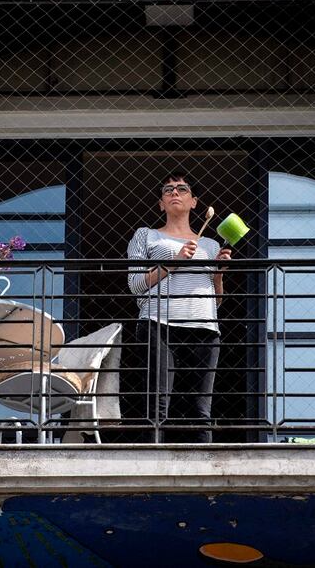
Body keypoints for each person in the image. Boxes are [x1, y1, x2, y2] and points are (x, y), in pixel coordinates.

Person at [126, 173, 231, 443]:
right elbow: (135, 284)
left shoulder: (210, 244)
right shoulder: (146, 235)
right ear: (161, 203)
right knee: (158, 403)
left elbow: (216, 301)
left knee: (200, 408)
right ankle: (152, 467)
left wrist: (219, 273)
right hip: (158, 324)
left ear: (194, 202)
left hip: (203, 326)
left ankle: (204, 470)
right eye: (168, 190)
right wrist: (172, 262)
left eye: (182, 189)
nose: (175, 192)